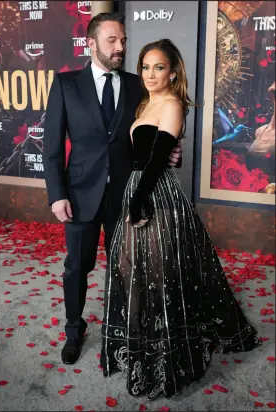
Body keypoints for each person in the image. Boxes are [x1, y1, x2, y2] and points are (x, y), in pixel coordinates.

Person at [100, 39, 261, 400]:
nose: (151, 74)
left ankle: (166, 356)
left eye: (159, 67)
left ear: (173, 71)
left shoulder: (172, 103)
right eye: (145, 67)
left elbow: (157, 161)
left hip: (154, 196)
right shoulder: (145, 102)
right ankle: (142, 347)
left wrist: (139, 203)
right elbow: (152, 153)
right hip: (138, 189)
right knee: (133, 270)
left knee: (159, 274)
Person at [43, 13, 182, 365]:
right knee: (77, 267)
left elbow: (152, 134)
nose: (121, 48)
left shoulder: (139, 84)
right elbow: (52, 148)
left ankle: (122, 330)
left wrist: (170, 154)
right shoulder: (66, 84)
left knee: (125, 269)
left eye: (123, 40)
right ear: (91, 44)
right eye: (111, 41)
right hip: (79, 194)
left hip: (126, 194)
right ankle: (75, 331)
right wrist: (57, 194)